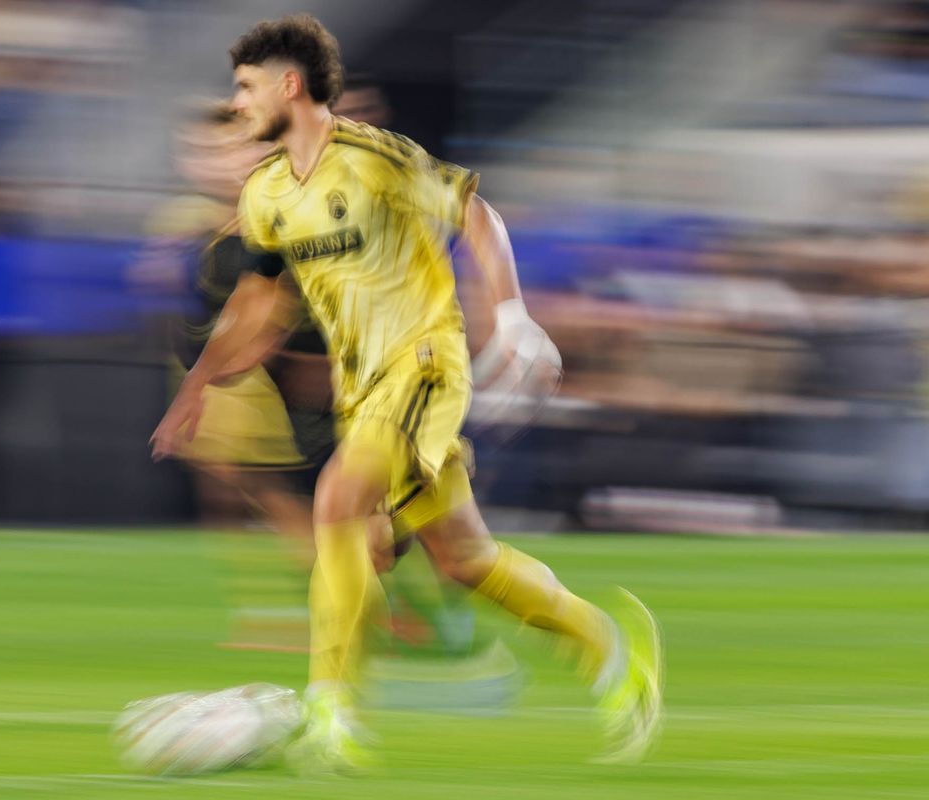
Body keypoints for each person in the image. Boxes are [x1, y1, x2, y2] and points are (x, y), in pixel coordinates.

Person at [151, 14, 663, 770]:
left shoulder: (371, 157)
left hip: (426, 362)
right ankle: (609, 647)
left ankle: (333, 714)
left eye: (247, 87)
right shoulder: (265, 195)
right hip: (366, 391)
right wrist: (198, 385)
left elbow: (473, 212)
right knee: (466, 561)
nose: (239, 102)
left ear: (289, 87)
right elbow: (261, 307)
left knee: (337, 502)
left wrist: (514, 317)